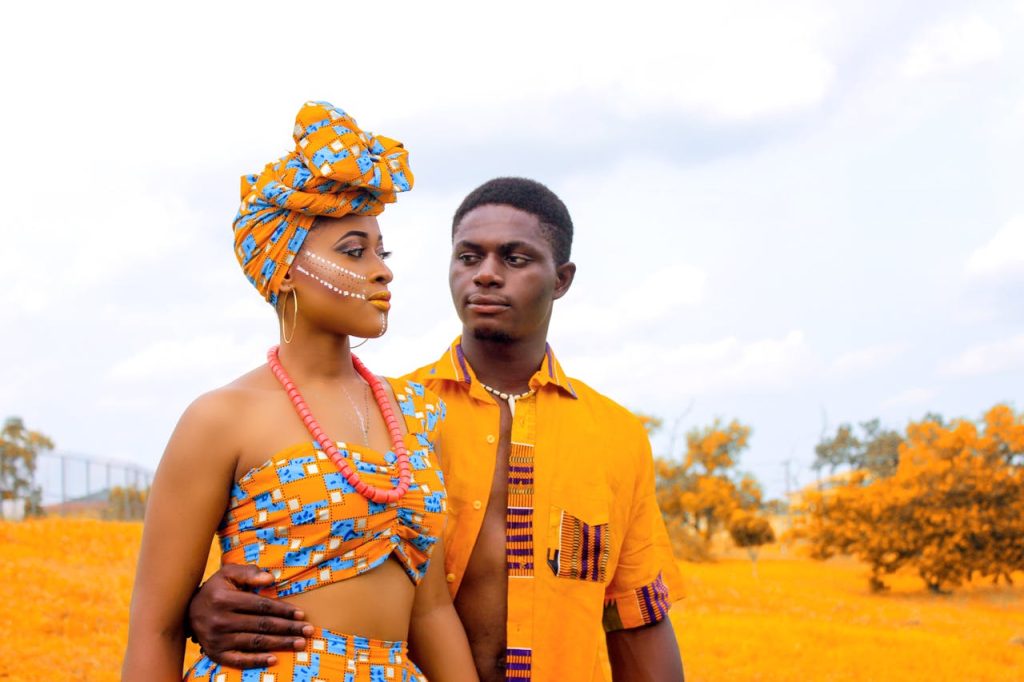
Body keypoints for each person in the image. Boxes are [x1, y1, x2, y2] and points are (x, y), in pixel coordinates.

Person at [187, 177, 686, 681]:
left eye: (514, 259)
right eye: (469, 258)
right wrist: (201, 605)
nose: (487, 275)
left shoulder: (615, 435)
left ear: (562, 279)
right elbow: (311, 552)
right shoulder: (389, 421)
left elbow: (636, 615)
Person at [122, 101, 478, 682]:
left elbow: (432, 608)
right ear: (284, 269)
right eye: (353, 251)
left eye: (381, 252)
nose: (382, 270)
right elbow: (156, 629)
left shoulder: (415, 413)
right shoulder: (221, 419)